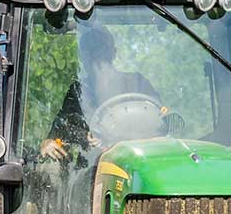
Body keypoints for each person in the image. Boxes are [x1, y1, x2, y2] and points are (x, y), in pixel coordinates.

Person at [39, 25, 161, 163]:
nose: (96, 58)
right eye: (91, 53)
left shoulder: (138, 83)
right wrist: (47, 143)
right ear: (83, 57)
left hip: (139, 158)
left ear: (113, 52)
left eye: (101, 51)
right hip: (93, 165)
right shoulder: (78, 91)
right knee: (48, 166)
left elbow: (160, 124)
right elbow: (58, 131)